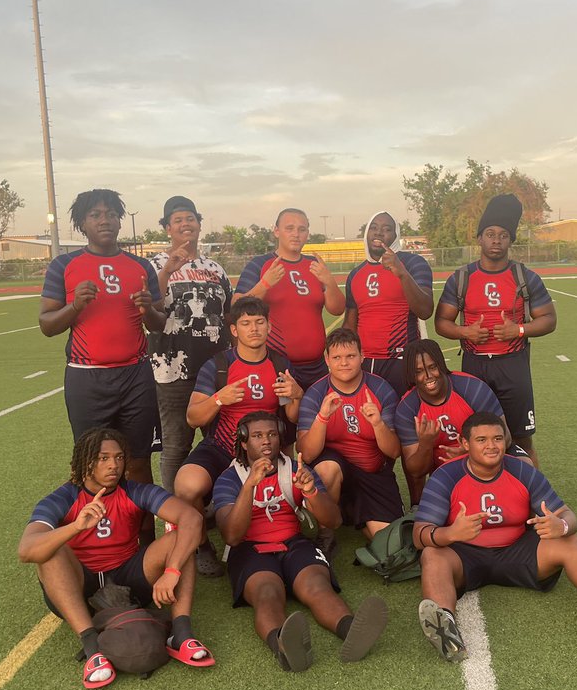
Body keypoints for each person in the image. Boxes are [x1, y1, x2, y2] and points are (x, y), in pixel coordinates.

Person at [412, 412, 577, 662]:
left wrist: (560, 526)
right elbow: (419, 535)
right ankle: (445, 629)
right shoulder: (446, 476)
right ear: (465, 443)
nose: (491, 446)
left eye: (497, 438)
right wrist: (451, 533)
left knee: (567, 541)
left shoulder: (522, 471)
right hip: (465, 555)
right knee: (432, 553)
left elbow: (568, 515)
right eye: (481, 440)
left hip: (516, 552)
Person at [18, 427, 214, 690]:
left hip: (127, 583)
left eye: (119, 458)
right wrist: (75, 527)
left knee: (181, 539)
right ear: (86, 462)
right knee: (50, 551)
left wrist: (172, 571)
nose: (114, 465)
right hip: (79, 587)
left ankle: (181, 635)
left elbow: (192, 518)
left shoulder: (134, 491)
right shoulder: (63, 497)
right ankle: (92, 648)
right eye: (104, 458)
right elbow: (27, 550)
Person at [214, 411, 388, 671]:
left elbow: (333, 521)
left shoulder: (296, 470)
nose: (266, 441)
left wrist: (312, 492)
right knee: (267, 594)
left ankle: (352, 631)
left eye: (272, 434)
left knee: (318, 586)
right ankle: (283, 646)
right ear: (243, 442)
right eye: (258, 436)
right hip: (251, 548)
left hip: (293, 542)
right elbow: (232, 535)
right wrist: (249, 486)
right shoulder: (230, 479)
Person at [39, 189, 165, 488]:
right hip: (87, 377)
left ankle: (146, 536)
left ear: (120, 221)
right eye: (95, 215)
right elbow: (47, 325)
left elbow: (159, 324)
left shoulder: (141, 267)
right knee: (92, 461)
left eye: (110, 214)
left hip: (136, 376)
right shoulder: (63, 266)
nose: (104, 220)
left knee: (137, 462)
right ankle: (98, 534)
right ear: (83, 224)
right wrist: (75, 306)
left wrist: (147, 309)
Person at [174, 297, 303, 574]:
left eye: (259, 322)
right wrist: (219, 399)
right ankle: (202, 546)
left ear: (269, 326)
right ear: (234, 329)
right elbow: (192, 417)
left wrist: (296, 396)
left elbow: (292, 417)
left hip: (265, 449)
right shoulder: (219, 365)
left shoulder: (280, 363)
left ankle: (293, 534)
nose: (254, 329)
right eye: (245, 323)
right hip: (222, 446)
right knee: (187, 485)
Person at [435, 193, 556, 466]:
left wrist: (519, 330)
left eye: (503, 235)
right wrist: (464, 333)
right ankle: (477, 490)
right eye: (490, 234)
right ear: (479, 238)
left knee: (521, 437)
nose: (496, 240)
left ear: (510, 240)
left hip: (513, 365)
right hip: (474, 365)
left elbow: (549, 319)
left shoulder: (524, 277)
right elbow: (441, 322)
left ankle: (534, 496)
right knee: (471, 435)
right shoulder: (461, 278)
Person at [148, 195, 232, 493]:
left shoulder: (215, 268)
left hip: (214, 370)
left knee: (220, 440)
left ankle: (216, 502)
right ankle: (176, 515)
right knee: (176, 445)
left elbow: (227, 314)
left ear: (199, 224)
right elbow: (150, 308)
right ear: (167, 227)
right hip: (173, 369)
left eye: (190, 218)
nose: (185, 224)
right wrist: (167, 271)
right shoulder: (155, 264)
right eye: (178, 220)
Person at [297, 327, 404, 539]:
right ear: (326, 359)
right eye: (336, 357)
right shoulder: (317, 393)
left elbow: (394, 452)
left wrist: (378, 424)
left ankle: (351, 510)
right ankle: (325, 534)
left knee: (386, 539)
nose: (344, 363)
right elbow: (307, 454)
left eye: (350, 356)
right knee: (328, 468)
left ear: (362, 356)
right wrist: (322, 418)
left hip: (371, 472)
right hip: (334, 470)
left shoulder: (381, 390)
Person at [235, 208, 345, 390]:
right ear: (276, 231)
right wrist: (265, 284)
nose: (296, 234)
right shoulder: (260, 264)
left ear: (308, 233)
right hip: (276, 365)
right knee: (282, 416)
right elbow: (236, 306)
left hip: (316, 367)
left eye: (302, 229)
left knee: (317, 416)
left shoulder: (314, 265)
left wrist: (329, 282)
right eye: (289, 228)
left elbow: (337, 309)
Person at [395, 339, 529, 483]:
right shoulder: (407, 408)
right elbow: (416, 471)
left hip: (484, 455)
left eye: (432, 367)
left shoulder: (472, 388)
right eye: (419, 371)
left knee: (525, 464)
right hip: (444, 469)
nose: (428, 376)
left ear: (441, 364)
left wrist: (469, 451)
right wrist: (425, 444)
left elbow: (506, 438)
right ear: (411, 374)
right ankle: (418, 504)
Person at [343, 210, 434, 400]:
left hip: (402, 359)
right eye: (374, 228)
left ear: (395, 235)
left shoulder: (413, 263)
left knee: (405, 419)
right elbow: (350, 324)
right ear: (367, 233)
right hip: (365, 362)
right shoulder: (356, 273)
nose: (379, 233)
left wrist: (401, 273)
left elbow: (425, 310)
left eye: (386, 229)